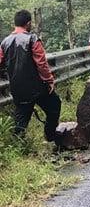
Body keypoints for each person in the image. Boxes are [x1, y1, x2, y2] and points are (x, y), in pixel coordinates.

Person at [0, 10, 61, 141]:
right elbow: (41, 63)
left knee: (21, 117)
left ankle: (18, 144)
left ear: (14, 23)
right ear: (28, 23)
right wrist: (49, 80)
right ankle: (50, 136)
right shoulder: (32, 39)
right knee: (54, 105)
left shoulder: (4, 42)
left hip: (17, 88)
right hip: (37, 86)